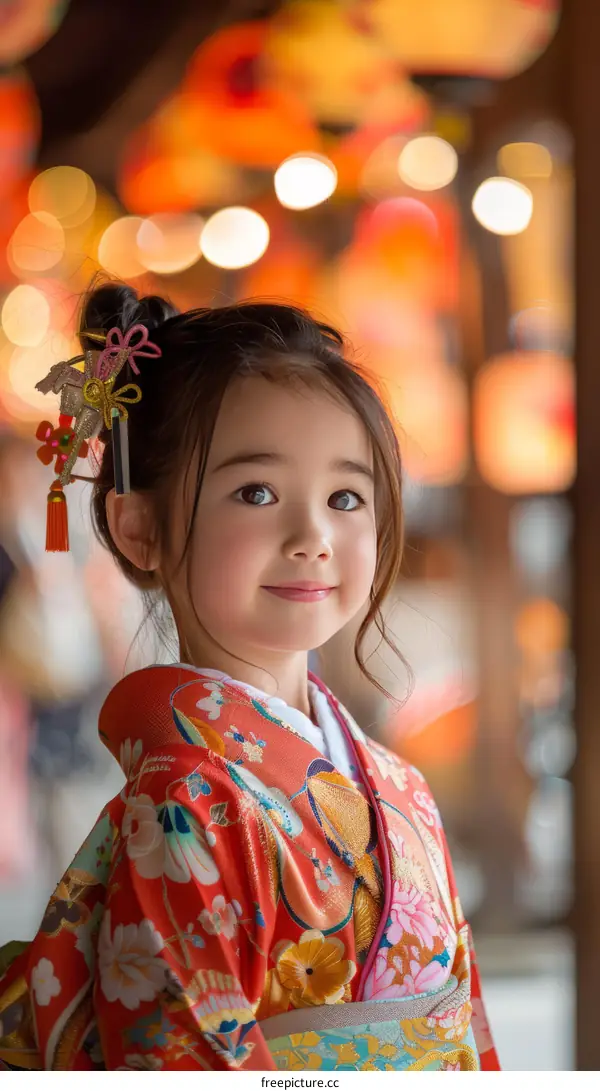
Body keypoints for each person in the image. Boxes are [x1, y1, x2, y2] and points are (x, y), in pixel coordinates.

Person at [0, 284, 499, 1072]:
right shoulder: (184, 799)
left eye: (345, 496)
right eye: (256, 492)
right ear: (141, 527)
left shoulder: (399, 784)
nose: (313, 535)